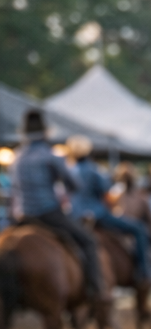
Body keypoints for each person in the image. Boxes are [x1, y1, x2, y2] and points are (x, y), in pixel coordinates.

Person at [10, 110, 107, 303]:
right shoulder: (50, 155)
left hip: (22, 216)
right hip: (48, 213)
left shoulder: (17, 158)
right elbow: (74, 185)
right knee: (88, 241)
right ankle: (95, 289)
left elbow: (15, 189)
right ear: (46, 132)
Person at [68, 138, 151, 280]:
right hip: (98, 215)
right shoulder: (94, 169)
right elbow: (108, 195)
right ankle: (144, 272)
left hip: (74, 216)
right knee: (139, 229)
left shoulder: (68, 170)